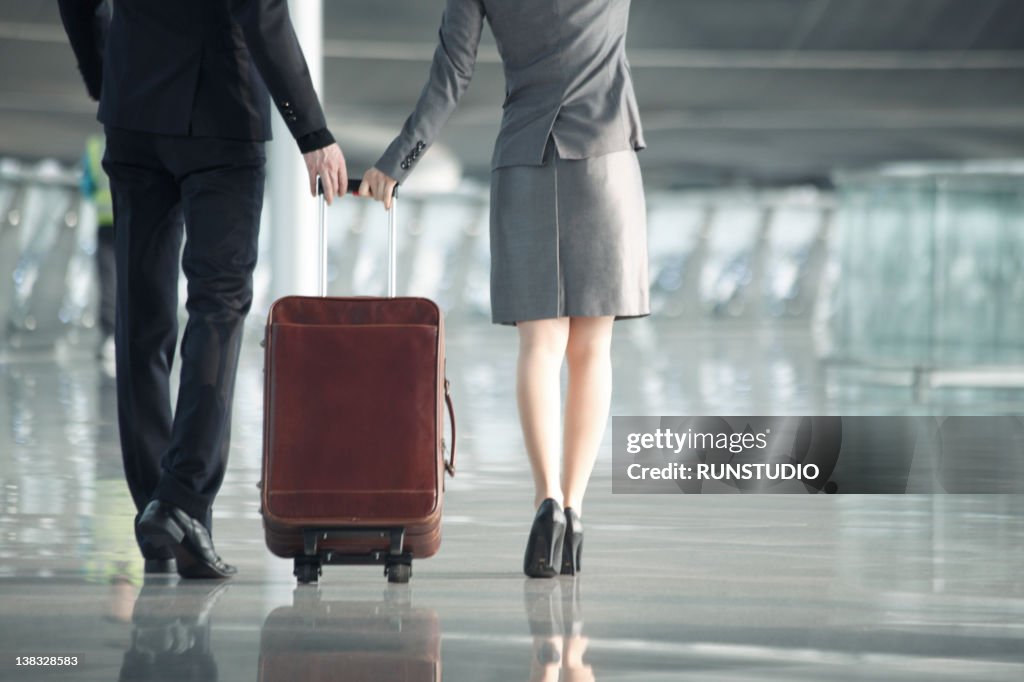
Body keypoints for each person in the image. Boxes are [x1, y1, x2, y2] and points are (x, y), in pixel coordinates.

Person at [58, 0, 348, 579]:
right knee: (217, 306)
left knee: (142, 319)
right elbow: (262, 14)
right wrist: (312, 131)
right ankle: (183, 500)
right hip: (221, 113)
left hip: (133, 108)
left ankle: (158, 513)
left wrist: (106, 74)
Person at [360, 0, 649, 578]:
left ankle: (546, 502)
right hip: (606, 158)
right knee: (593, 351)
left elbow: (453, 71)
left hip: (526, 158)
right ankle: (575, 509)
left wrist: (398, 162)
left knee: (539, 347)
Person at [81, 133, 116, 362]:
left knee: (108, 281)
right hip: (134, 222)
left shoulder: (95, 146)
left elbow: (86, 186)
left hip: (105, 224)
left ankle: (111, 335)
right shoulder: (139, 135)